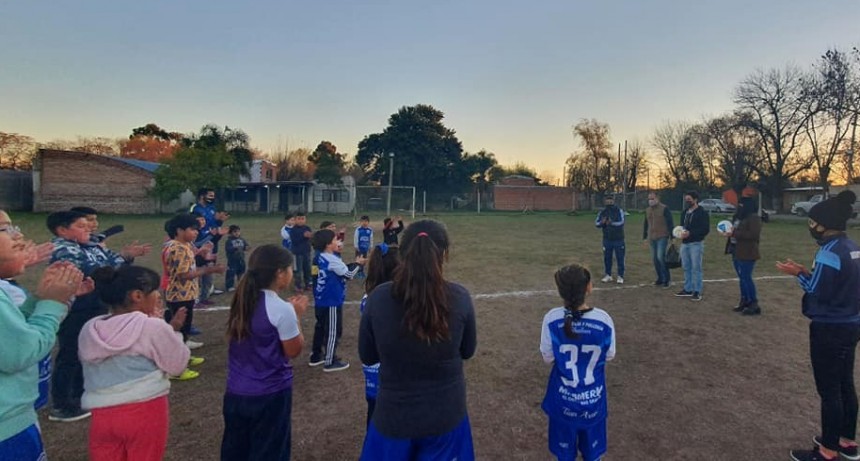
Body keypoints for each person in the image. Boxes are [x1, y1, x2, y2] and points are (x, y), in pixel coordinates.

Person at [358, 220, 477, 460]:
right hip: (445, 417)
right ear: (443, 254)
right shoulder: (460, 297)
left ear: (402, 254)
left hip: (393, 417)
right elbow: (467, 350)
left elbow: (368, 355)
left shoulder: (378, 298)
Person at [778, 191, 860, 461]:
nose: (811, 227)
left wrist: (799, 273)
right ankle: (847, 442)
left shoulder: (828, 252)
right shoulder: (853, 248)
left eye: (813, 222)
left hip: (829, 328)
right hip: (851, 325)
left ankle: (827, 451)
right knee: (845, 384)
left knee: (830, 391)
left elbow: (817, 291)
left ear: (823, 224)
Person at [48, 210, 150, 422]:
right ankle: (62, 404)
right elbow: (91, 270)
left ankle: (79, 394)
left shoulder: (91, 246)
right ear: (62, 230)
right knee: (70, 354)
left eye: (89, 226)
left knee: (86, 351)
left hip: (96, 305)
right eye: (81, 227)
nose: (89, 230)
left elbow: (115, 264)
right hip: (75, 309)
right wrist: (114, 264)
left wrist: (125, 257)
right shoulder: (62, 248)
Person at [80, 265, 190, 461]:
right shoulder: (152, 326)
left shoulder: (90, 328)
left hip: (101, 415)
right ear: (137, 296)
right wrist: (171, 331)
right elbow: (177, 365)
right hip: (145, 411)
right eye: (155, 290)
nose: (158, 295)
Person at [0, 218, 84, 461]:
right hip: (8, 433)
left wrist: (39, 300)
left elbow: (10, 333)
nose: (19, 237)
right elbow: (20, 352)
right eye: (6, 229)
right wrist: (52, 304)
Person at [221, 244, 308, 461]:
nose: (291, 273)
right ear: (279, 273)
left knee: (236, 450)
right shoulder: (282, 309)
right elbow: (293, 350)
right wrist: (296, 315)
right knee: (269, 451)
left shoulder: (242, 300)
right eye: (289, 269)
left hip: (236, 393)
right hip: (270, 395)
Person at [540, 264, 616, 461]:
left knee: (564, 456)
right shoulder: (603, 320)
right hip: (593, 404)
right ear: (589, 288)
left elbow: (547, 357)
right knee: (593, 456)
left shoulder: (551, 318)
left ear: (560, 291)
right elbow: (609, 355)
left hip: (563, 403)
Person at [163, 213, 224, 380]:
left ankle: (183, 356)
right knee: (179, 331)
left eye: (197, 229)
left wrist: (201, 254)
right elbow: (183, 274)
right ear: (179, 230)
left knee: (185, 328)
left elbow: (188, 264)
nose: (196, 232)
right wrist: (209, 270)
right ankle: (176, 368)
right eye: (192, 229)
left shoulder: (185, 245)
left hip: (186, 294)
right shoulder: (177, 248)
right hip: (179, 295)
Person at [309, 229, 363, 372]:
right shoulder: (332, 259)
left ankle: (317, 355)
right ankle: (330, 361)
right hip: (331, 300)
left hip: (321, 299)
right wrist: (358, 264)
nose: (337, 242)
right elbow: (349, 274)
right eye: (335, 240)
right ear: (328, 244)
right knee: (333, 330)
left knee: (321, 326)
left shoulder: (319, 256)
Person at [359, 243, 400, 426]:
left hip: (373, 374)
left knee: (374, 419)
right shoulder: (397, 300)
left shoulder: (368, 298)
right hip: (391, 376)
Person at [722, 196, 762, 315]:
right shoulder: (738, 217)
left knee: (746, 277)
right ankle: (744, 300)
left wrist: (735, 233)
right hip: (736, 250)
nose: (738, 207)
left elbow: (753, 235)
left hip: (748, 252)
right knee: (742, 278)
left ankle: (753, 303)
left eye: (741, 205)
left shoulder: (754, 218)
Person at [190, 188, 229, 300]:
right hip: (201, 240)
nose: (212, 198)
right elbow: (194, 224)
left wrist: (220, 221)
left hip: (213, 239)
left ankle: (209, 288)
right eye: (210, 196)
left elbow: (214, 223)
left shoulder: (211, 208)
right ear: (202, 196)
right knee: (200, 264)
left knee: (210, 263)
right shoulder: (195, 208)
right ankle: (197, 290)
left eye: (213, 196)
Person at [674, 191, 710, 301]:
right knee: (686, 267)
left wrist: (691, 233)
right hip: (685, 244)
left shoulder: (702, 213)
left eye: (689, 199)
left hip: (696, 244)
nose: (687, 202)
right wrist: (679, 233)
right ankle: (688, 288)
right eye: (686, 200)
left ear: (695, 199)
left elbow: (705, 229)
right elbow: (682, 226)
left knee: (696, 267)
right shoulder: (684, 212)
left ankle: (697, 291)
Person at [643, 192, 674, 288]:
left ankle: (667, 279)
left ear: (657, 198)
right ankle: (660, 278)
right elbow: (646, 224)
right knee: (655, 259)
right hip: (652, 237)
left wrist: (672, 236)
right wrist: (644, 236)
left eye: (652, 199)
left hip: (662, 236)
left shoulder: (664, 209)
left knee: (661, 257)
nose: (650, 201)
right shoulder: (647, 210)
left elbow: (670, 222)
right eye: (649, 199)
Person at [595, 195, 626, 284]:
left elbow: (621, 222)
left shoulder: (618, 211)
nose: (609, 202)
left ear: (613, 201)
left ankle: (620, 276)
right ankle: (608, 275)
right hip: (607, 239)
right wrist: (602, 222)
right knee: (607, 258)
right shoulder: (602, 212)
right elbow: (596, 223)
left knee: (620, 257)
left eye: (611, 201)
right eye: (607, 201)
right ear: (605, 202)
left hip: (618, 239)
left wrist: (611, 223)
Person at [288, 212, 313, 292]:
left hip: (306, 252)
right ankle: (298, 285)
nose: (301, 221)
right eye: (299, 219)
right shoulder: (293, 230)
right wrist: (303, 236)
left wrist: (310, 237)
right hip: (297, 253)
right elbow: (294, 241)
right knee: (298, 270)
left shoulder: (307, 228)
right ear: (295, 220)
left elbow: (310, 239)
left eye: (303, 219)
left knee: (307, 269)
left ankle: (308, 284)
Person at [225, 225, 250, 293]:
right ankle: (229, 286)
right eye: (235, 232)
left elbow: (245, 246)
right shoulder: (229, 241)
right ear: (230, 233)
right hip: (232, 260)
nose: (237, 233)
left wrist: (247, 247)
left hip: (241, 259)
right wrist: (234, 248)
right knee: (231, 273)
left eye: (238, 231)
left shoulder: (242, 239)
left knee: (241, 271)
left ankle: (241, 283)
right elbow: (228, 249)